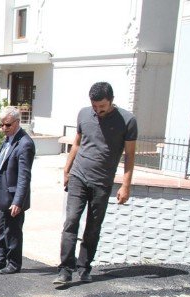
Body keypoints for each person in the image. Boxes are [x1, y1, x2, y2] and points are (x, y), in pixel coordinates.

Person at [54, 82, 137, 284]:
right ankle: (65, 269)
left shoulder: (127, 120)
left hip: (102, 182)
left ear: (112, 101)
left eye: (102, 107)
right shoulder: (83, 114)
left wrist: (125, 185)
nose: (98, 111)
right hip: (78, 177)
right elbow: (77, 143)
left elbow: (130, 155)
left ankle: (84, 267)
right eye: (95, 107)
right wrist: (67, 170)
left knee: (93, 227)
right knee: (71, 221)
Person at [0, 106, 36, 275]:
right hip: (2, 194)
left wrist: (18, 201)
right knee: (1, 229)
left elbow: (24, 176)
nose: (4, 128)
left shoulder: (25, 143)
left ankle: (13, 263)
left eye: (7, 125)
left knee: (13, 231)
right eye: (2, 125)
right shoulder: (8, 140)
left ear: (17, 122)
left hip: (13, 198)